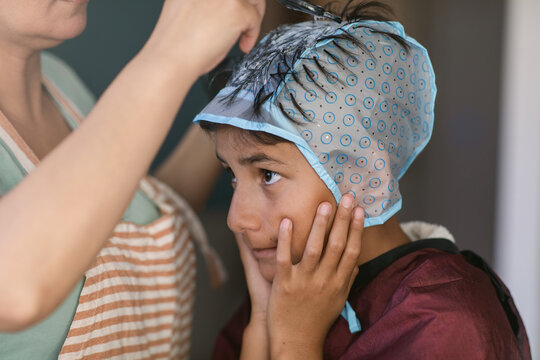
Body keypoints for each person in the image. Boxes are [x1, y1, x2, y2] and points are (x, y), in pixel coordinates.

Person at [193, 1, 532, 358]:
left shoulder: (449, 322)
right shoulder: (281, 289)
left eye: (268, 174)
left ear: (360, 172)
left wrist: (295, 341)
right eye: (232, 174)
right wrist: (262, 321)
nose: (237, 219)